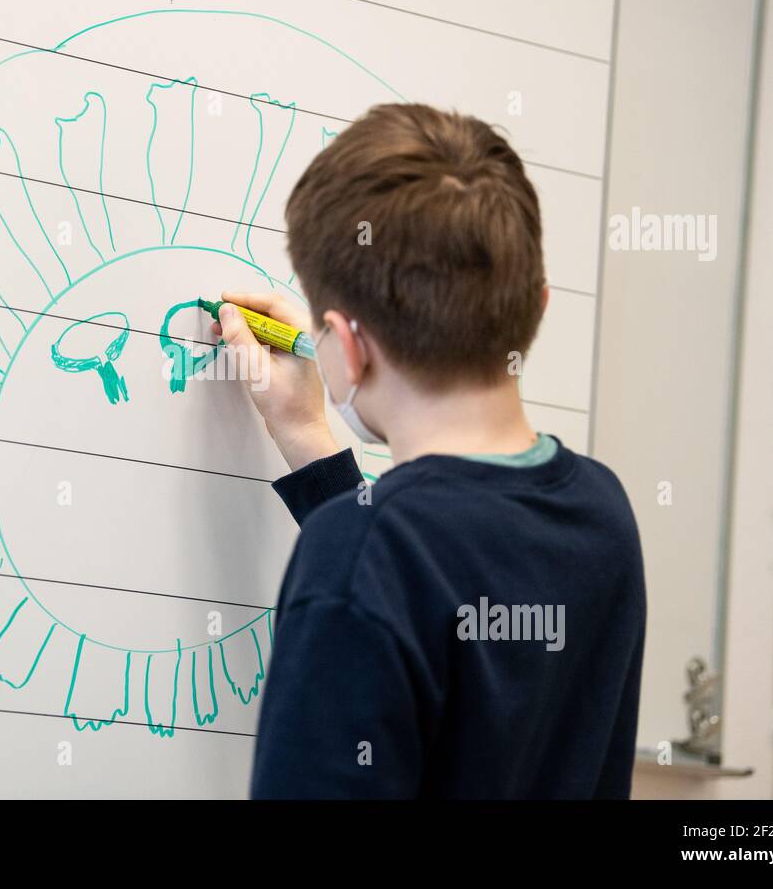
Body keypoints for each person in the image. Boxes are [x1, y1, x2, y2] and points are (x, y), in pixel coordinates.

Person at [213, 103, 646, 799]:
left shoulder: (359, 554)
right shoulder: (601, 511)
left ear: (345, 348)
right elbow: (445, 563)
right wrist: (307, 438)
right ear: (536, 306)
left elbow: (403, 567)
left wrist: (343, 520)